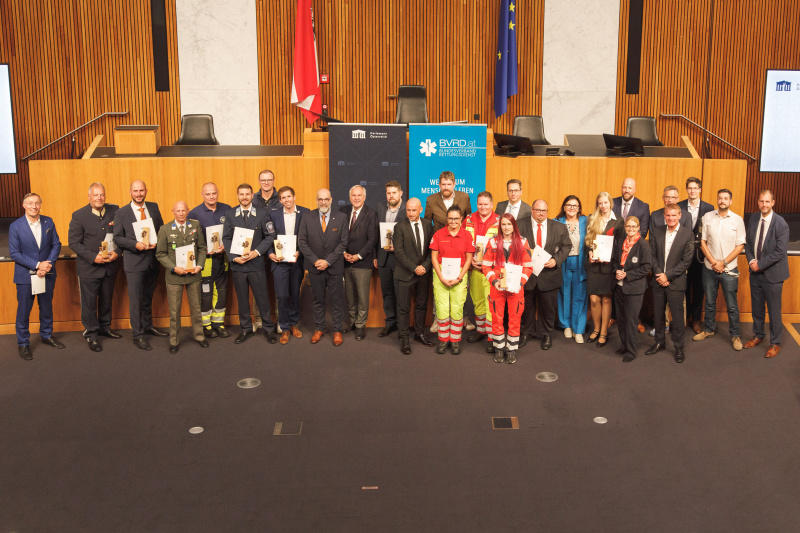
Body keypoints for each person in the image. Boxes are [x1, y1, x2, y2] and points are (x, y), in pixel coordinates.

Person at [113, 180, 167, 351]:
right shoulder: (122, 212)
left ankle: (147, 325)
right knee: (136, 299)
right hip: (134, 262)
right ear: (130, 192)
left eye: (141, 190)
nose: (138, 194)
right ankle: (138, 335)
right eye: (135, 191)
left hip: (152, 260)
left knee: (148, 297)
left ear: (146, 191)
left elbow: (160, 230)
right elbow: (118, 238)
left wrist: (157, 243)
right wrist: (135, 244)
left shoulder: (153, 207)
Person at [221, 183, 278, 345]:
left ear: (252, 195)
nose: (244, 197)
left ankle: (268, 329)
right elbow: (226, 238)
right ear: (237, 196)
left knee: (262, 298)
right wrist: (233, 257)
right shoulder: (231, 214)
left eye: (247, 194)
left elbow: (270, 236)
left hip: (256, 264)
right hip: (238, 265)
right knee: (242, 299)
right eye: (241, 194)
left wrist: (256, 252)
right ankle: (246, 328)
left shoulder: (262, 213)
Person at [10, 193, 64, 360]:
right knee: (24, 310)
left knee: (46, 307)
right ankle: (23, 343)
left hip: (47, 273)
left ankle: (47, 335)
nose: (34, 206)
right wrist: (37, 265)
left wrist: (47, 264)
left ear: (41, 205)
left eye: (37, 203)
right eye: (30, 203)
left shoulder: (49, 222)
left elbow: (56, 244)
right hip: (26, 275)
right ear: (24, 205)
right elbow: (15, 253)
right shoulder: (15, 226)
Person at [68, 183, 121, 352]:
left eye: (102, 195)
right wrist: (93, 257)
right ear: (89, 196)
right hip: (89, 268)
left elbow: (122, 235)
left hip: (109, 266)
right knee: (90, 303)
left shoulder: (115, 211)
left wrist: (118, 252)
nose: (99, 198)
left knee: (106, 298)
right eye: (96, 195)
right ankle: (91, 333)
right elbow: (74, 243)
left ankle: (105, 327)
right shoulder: (78, 216)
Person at [694, 189, 746, 351]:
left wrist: (723, 262)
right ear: (717, 200)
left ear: (730, 201)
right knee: (709, 302)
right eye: (720, 198)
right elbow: (702, 242)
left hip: (729, 269)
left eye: (725, 198)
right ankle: (708, 330)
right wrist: (713, 261)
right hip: (709, 268)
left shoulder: (737, 220)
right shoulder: (708, 217)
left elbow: (740, 246)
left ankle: (735, 335)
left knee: (732, 305)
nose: (722, 201)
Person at [298, 188, 350, 346]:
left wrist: (327, 261)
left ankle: (336, 330)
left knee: (336, 300)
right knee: (317, 300)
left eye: (326, 199)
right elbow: (302, 242)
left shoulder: (341, 217)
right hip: (315, 268)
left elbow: (343, 243)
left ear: (331, 200)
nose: (323, 202)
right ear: (316, 200)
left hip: (334, 267)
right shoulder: (307, 217)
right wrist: (315, 261)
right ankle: (319, 328)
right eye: (320, 199)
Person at [518, 199, 571, 350]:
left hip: (549, 274)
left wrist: (556, 260)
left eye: (544, 211)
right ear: (532, 210)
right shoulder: (520, 225)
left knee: (548, 307)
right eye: (538, 210)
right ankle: (526, 333)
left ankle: (546, 334)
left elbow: (567, 245)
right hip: (527, 274)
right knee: (527, 306)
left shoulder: (559, 227)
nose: (541, 213)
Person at [156, 201, 208, 353]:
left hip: (193, 274)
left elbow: (202, 248)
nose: (181, 213)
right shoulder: (165, 229)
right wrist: (173, 268)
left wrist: (199, 265)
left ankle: (200, 336)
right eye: (178, 211)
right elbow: (160, 254)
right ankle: (174, 341)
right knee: (174, 311)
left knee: (197, 308)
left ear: (188, 211)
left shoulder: (195, 226)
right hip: (174, 277)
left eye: (183, 210)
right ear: (173, 212)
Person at [646, 204, 695, 363]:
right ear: (664, 216)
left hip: (676, 282)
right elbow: (651, 256)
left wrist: (667, 275)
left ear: (680, 216)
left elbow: (686, 261)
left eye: (674, 215)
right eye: (668, 215)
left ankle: (679, 347)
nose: (671, 218)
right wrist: (660, 274)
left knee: (678, 317)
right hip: (658, 281)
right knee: (659, 315)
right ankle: (659, 342)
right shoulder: (657, 232)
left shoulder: (687, 234)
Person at [744, 190, 790, 358]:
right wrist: (751, 262)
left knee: (774, 311)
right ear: (758, 202)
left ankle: (775, 343)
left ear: (773, 203)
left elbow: (780, 252)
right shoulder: (754, 218)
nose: (764, 204)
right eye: (761, 201)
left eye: (767, 201)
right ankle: (758, 335)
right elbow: (748, 243)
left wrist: (760, 264)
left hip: (773, 275)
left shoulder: (781, 223)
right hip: (755, 272)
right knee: (757, 308)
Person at [482, 214, 533, 363]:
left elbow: (528, 268)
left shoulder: (523, 242)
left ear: (514, 226)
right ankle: (498, 349)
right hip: (497, 287)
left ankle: (511, 349)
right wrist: (494, 280)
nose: (506, 227)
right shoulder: (492, 242)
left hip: (516, 288)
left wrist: (520, 283)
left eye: (509, 224)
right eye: (503, 224)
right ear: (500, 226)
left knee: (514, 318)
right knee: (497, 318)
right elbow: (485, 265)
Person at [188, 182, 232, 339]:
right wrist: (201, 249)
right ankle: (206, 325)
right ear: (202, 195)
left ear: (217, 193)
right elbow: (189, 239)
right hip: (206, 261)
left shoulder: (227, 209)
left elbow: (233, 233)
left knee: (221, 292)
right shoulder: (194, 213)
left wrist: (226, 246)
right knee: (206, 294)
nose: (211, 196)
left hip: (224, 259)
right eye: (208, 194)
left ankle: (218, 324)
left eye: (214, 193)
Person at [266, 186, 309, 345]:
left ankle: (293, 324)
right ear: (280, 200)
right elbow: (268, 237)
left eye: (289, 196)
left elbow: (308, 236)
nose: (287, 200)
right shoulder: (273, 214)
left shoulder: (305, 212)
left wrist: (300, 252)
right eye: (283, 198)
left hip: (297, 261)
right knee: (282, 295)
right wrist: (270, 252)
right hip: (279, 262)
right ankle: (284, 327)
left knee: (294, 294)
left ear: (294, 196)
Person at [429, 206, 475, 355]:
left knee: (457, 308)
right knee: (442, 308)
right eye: (450, 218)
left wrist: (460, 277)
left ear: (461, 218)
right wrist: (441, 276)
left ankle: (455, 341)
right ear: (446, 219)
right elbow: (434, 258)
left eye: (456, 218)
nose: (453, 221)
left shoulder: (467, 235)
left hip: (460, 275)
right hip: (440, 274)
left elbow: (469, 259)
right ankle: (443, 340)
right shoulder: (438, 234)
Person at [393, 198, 435, 354]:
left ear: (421, 210)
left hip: (423, 274)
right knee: (403, 308)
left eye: (414, 210)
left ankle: (419, 334)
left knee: (421, 305)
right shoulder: (399, 227)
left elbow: (432, 249)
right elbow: (399, 252)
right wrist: (414, 268)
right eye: (408, 210)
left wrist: (424, 267)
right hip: (405, 274)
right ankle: (404, 338)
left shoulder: (427, 225)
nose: (410, 213)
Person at [585, 192, 622, 347]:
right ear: (597, 204)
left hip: (608, 266)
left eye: (606, 202)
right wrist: (590, 252)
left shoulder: (618, 221)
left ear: (610, 203)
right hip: (594, 265)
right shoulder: (592, 218)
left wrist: (611, 259)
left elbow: (619, 245)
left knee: (606, 299)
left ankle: (604, 332)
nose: (603, 206)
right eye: (600, 203)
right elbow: (588, 241)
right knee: (594, 300)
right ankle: (596, 329)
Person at [340, 185, 378, 340]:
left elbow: (372, 240)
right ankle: (353, 322)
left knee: (362, 297)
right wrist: (343, 253)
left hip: (362, 262)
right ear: (350, 197)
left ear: (364, 197)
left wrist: (358, 256)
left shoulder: (371, 214)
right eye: (353, 195)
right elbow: (338, 235)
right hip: (345, 261)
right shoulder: (343, 211)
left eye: (359, 195)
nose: (356, 198)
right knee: (349, 296)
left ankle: (361, 325)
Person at [612, 216, 652, 363]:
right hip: (619, 287)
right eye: (628, 226)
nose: (630, 229)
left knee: (631, 320)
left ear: (638, 228)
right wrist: (617, 271)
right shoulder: (622, 242)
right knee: (621, 319)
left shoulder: (643, 245)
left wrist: (627, 274)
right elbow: (616, 261)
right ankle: (624, 345)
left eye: (634, 227)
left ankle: (631, 350)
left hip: (634, 288)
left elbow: (647, 267)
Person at [678, 177, 714, 334]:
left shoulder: (708, 207)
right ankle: (685, 317)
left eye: (695, 188)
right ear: (686, 189)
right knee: (683, 287)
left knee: (699, 288)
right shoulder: (679, 206)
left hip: (701, 254)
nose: (692, 190)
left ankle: (696, 319)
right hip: (682, 253)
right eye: (690, 188)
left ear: (700, 189)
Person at [465, 191, 499, 346]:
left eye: (486, 204)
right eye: (480, 204)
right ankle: (481, 331)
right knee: (478, 301)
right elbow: (463, 242)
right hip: (474, 269)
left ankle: (492, 337)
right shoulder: (468, 219)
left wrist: (488, 262)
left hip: (492, 270)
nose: (483, 207)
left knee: (491, 303)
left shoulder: (500, 221)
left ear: (492, 204)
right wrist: (469, 259)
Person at [374, 180, 406, 338]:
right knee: (387, 294)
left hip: (400, 260)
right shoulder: (380, 208)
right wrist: (375, 255)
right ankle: (390, 324)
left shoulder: (408, 209)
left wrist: (399, 248)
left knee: (400, 295)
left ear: (400, 193)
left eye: (394, 192)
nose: (391, 195)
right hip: (383, 259)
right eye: (388, 193)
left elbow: (412, 235)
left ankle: (402, 327)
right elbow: (374, 233)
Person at [555, 195, 588, 344]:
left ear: (579, 208)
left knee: (580, 295)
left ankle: (578, 328)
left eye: (575, 205)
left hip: (580, 261)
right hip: (563, 261)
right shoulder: (556, 222)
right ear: (564, 207)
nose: (572, 208)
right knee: (564, 293)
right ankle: (566, 324)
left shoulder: (585, 221)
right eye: (569, 205)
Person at [252, 169, 280, 331]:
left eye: (269, 179)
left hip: (278, 250)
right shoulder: (253, 199)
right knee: (258, 287)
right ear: (259, 181)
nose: (266, 183)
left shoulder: (281, 199)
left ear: (274, 180)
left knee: (278, 287)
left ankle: (279, 319)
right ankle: (259, 320)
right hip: (257, 250)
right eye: (263, 180)